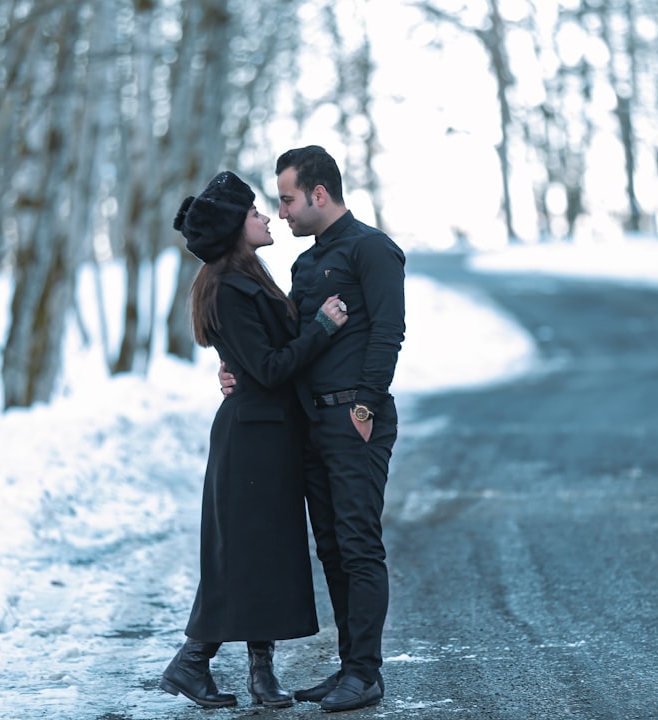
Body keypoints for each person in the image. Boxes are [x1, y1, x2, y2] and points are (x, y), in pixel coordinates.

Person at [220, 145, 406, 712]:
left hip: (355, 418)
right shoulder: (303, 265)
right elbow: (287, 347)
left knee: (357, 545)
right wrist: (236, 367)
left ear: (319, 194)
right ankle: (351, 668)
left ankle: (366, 674)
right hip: (312, 423)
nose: (281, 213)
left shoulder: (372, 250)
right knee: (330, 549)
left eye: (288, 199)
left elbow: (388, 333)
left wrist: (367, 406)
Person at [161, 170, 350, 709]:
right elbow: (268, 368)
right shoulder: (228, 287)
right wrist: (323, 327)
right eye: (253, 213)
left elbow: (256, 359)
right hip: (251, 439)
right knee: (245, 555)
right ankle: (194, 663)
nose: (266, 217)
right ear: (232, 229)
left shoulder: (249, 277)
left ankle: (253, 675)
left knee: (260, 555)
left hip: (267, 435)